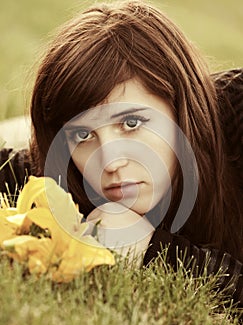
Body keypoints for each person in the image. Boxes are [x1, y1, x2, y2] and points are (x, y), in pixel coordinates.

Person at [0, 1, 242, 305]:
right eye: (83, 134)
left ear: (181, 106)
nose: (110, 163)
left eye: (131, 123)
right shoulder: (68, 173)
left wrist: (149, 248)